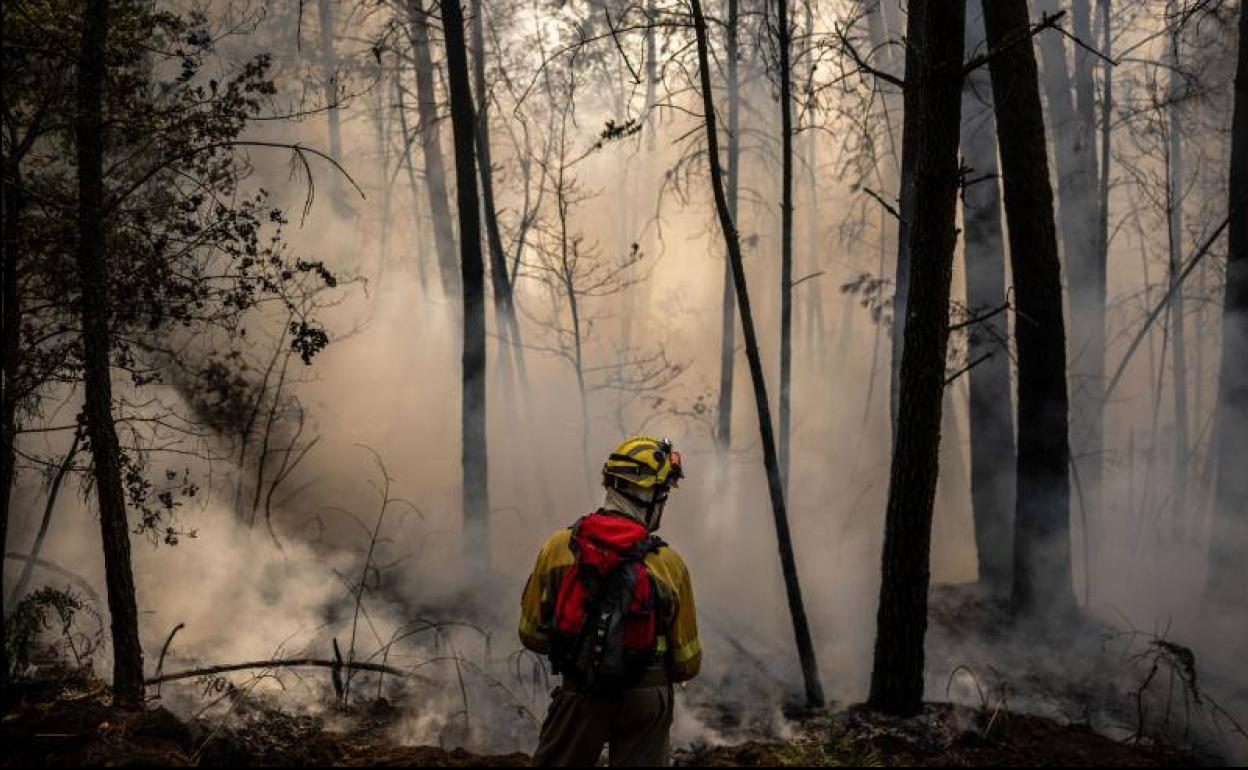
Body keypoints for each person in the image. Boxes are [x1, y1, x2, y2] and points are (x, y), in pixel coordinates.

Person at [519, 436, 701, 767]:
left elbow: (531, 635)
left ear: (610, 484)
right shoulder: (669, 563)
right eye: (663, 496)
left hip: (580, 692)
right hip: (646, 696)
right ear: (651, 497)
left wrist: (582, 649)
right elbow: (687, 662)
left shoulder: (558, 547)